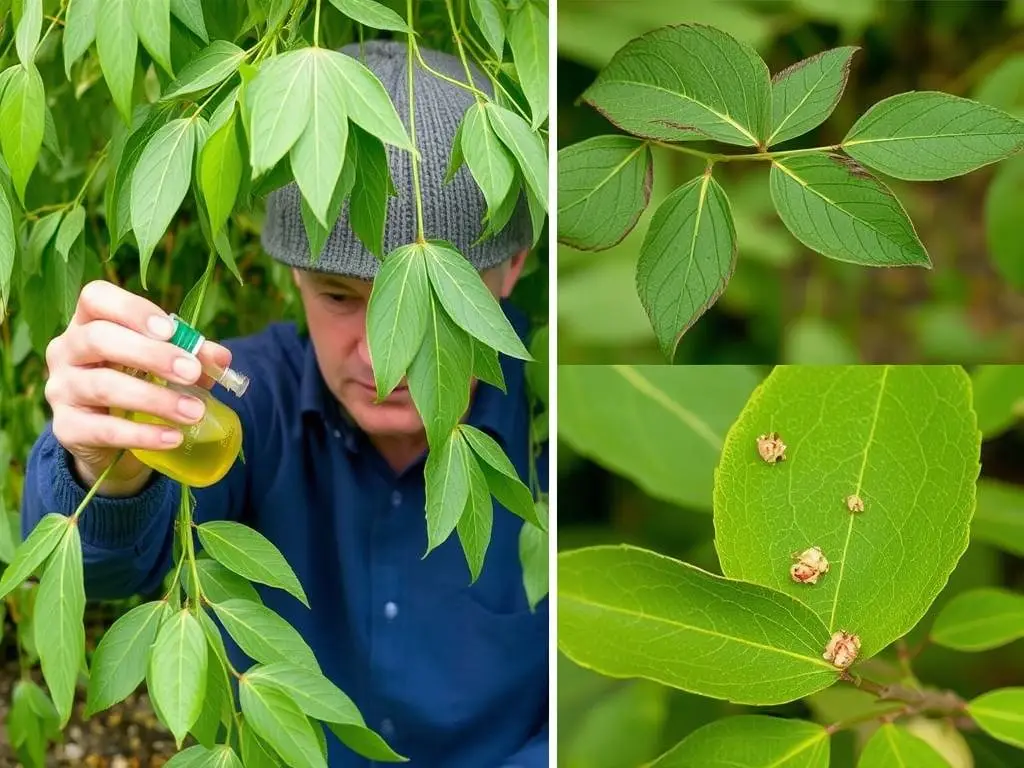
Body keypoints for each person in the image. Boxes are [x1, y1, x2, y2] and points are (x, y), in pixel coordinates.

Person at [20, 39, 548, 767]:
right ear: (295, 280)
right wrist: (99, 466)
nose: (378, 354)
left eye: (428, 299)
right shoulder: (247, 404)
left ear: (512, 266)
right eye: (339, 297)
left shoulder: (560, 415)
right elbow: (106, 572)